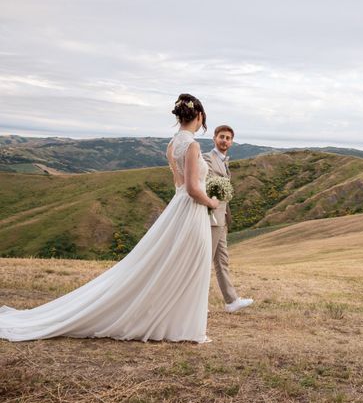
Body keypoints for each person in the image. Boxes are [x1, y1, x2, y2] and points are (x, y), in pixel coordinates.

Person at [0, 94, 218, 343]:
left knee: (172, 263)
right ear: (199, 116)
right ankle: (180, 324)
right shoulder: (192, 146)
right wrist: (212, 201)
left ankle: (173, 321)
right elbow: (191, 187)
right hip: (191, 209)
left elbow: (178, 184)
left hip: (179, 207)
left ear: (179, 116)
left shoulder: (172, 145)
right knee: (189, 264)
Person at [204, 125, 254, 313]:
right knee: (205, 259)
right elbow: (208, 181)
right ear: (214, 138)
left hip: (223, 216)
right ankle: (197, 301)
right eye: (221, 137)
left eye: (228, 138)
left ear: (232, 142)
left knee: (222, 260)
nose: (225, 140)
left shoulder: (225, 161)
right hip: (213, 216)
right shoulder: (208, 158)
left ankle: (231, 301)